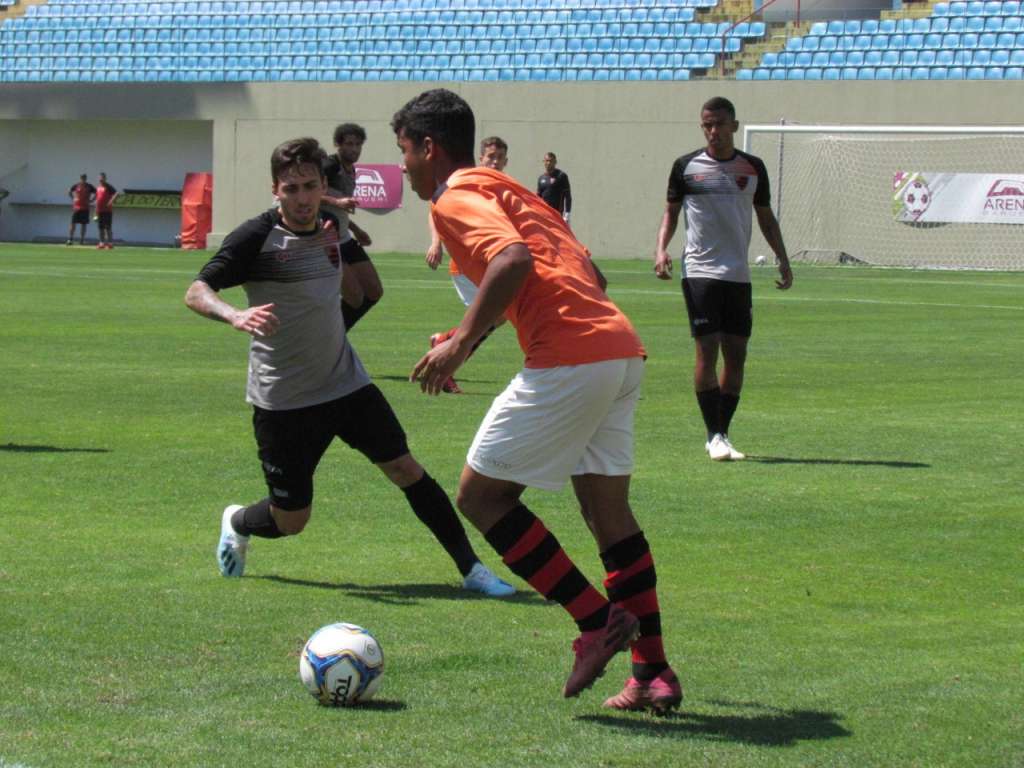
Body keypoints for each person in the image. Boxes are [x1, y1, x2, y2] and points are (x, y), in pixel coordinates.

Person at [395, 89, 681, 712]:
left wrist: (459, 343)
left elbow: (512, 261)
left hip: (571, 358)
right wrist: (465, 341)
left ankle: (592, 620)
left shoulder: (454, 196)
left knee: (479, 496)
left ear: (427, 147)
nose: (405, 168)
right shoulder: (515, 191)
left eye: (404, 153)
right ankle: (654, 672)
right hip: (619, 351)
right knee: (611, 519)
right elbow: (584, 277)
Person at [183, 137, 514, 598]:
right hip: (284, 399)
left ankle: (472, 569)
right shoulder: (254, 238)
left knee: (406, 469)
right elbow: (196, 291)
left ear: (323, 187)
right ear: (275, 189)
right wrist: (236, 315)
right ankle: (237, 520)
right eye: (292, 188)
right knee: (291, 519)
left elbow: (361, 293)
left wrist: (333, 316)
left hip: (345, 384)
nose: (302, 198)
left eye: (311, 186)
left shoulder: (330, 228)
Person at [654, 96, 793, 462]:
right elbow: (670, 213)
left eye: (719, 124)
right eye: (707, 125)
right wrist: (661, 249)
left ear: (734, 125)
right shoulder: (685, 167)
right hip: (699, 271)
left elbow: (766, 217)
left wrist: (782, 257)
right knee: (707, 349)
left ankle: (722, 433)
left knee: (737, 356)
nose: (713, 131)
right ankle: (713, 434)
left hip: (738, 274)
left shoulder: (753, 168)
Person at [424, 136, 511, 394]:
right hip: (466, 264)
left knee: (498, 316)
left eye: (499, 158)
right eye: (490, 157)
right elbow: (436, 206)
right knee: (489, 317)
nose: (494, 162)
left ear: (506, 161)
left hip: (486, 263)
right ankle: (446, 358)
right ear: (481, 158)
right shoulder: (469, 182)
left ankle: (445, 346)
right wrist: (435, 242)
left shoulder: (498, 186)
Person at [321, 123, 383, 330]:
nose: (354, 149)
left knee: (374, 291)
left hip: (345, 236)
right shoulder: (329, 166)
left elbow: (340, 209)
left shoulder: (352, 171)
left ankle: (335, 333)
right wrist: (337, 202)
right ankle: (328, 336)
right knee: (354, 296)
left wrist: (356, 229)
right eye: (349, 144)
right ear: (337, 145)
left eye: (358, 144)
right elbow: (308, 195)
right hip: (326, 239)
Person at [537, 152, 572, 225]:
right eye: (546, 161)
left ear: (555, 162)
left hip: (557, 216)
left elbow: (568, 196)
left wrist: (567, 214)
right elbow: (538, 197)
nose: (548, 163)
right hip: (544, 215)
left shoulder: (561, 176)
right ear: (544, 162)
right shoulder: (541, 178)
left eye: (551, 161)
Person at [67, 174, 96, 245]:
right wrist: (73, 198)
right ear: (80, 178)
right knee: (73, 223)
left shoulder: (89, 186)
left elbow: (97, 192)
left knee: (84, 224)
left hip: (85, 208)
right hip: (76, 207)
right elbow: (69, 191)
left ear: (86, 178)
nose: (83, 179)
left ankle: (82, 240)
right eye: (82, 178)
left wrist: (91, 200)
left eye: (84, 178)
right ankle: (70, 239)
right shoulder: (76, 185)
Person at [94, 172, 119, 249]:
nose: (101, 179)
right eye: (100, 178)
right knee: (100, 228)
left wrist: (111, 201)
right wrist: (95, 212)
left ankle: (110, 243)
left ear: (105, 178)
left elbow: (117, 193)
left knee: (108, 227)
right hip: (100, 210)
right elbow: (97, 200)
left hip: (107, 210)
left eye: (102, 178)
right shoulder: (98, 188)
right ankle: (101, 243)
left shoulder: (108, 187)